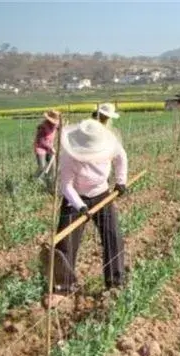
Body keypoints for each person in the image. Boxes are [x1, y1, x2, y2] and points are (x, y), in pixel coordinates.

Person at [55, 118, 128, 293]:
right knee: (66, 243)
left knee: (113, 237)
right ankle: (64, 286)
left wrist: (120, 181)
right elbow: (66, 185)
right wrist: (80, 206)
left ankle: (115, 283)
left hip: (102, 194)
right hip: (75, 199)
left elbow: (121, 157)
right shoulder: (69, 156)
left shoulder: (109, 144)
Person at [33, 109, 60, 180]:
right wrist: (51, 148)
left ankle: (49, 181)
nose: (55, 123)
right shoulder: (43, 126)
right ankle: (34, 180)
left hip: (50, 147)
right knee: (42, 166)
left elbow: (59, 127)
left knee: (53, 167)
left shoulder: (55, 124)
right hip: (40, 147)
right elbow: (41, 141)